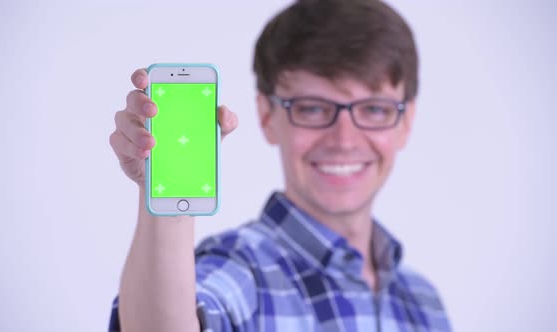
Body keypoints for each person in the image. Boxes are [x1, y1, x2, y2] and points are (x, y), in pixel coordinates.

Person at [108, 0, 452, 330]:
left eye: (374, 110)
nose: (344, 140)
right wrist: (167, 198)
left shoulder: (424, 303)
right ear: (267, 115)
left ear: (406, 122)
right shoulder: (239, 271)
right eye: (312, 108)